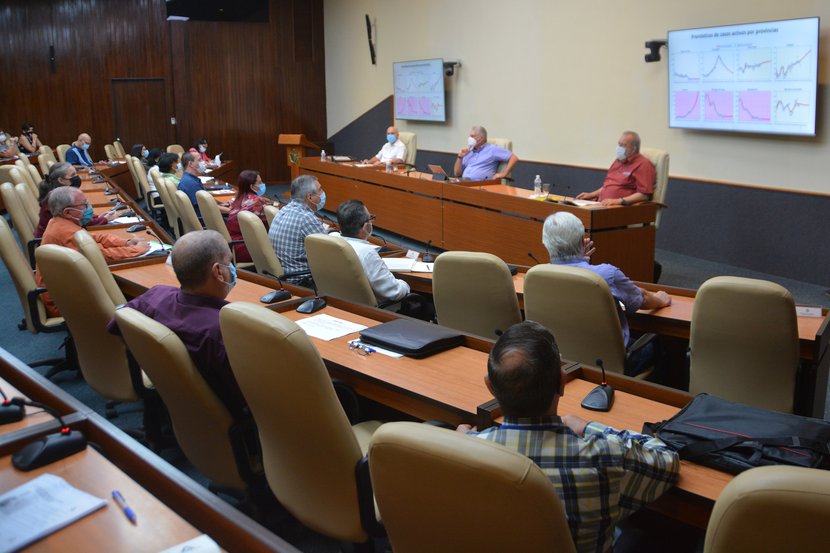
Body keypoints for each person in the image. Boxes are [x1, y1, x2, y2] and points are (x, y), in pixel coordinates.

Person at [460, 321, 680, 553]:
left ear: (490, 387)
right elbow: (667, 459)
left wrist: (463, 441)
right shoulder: (605, 456)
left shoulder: (465, 454)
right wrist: (588, 427)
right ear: (562, 383)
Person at [106, 230, 246, 421]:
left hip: (176, 399)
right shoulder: (222, 332)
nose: (231, 267)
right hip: (223, 418)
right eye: (228, 260)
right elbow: (250, 396)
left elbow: (118, 324)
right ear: (218, 271)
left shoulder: (155, 295)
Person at [542, 211, 671, 373]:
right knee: (665, 347)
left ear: (546, 244)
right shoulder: (606, 274)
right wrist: (660, 299)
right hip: (609, 362)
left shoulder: (539, 274)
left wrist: (580, 260)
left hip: (563, 358)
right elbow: (642, 300)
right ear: (583, 241)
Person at [35, 186, 149, 316]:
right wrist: (137, 250)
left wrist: (126, 242)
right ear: (67, 212)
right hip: (64, 301)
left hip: (68, 288)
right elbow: (102, 256)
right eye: (84, 205)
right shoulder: (66, 233)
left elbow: (95, 239)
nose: (89, 207)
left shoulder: (59, 222)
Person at [336, 199, 410, 304]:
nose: (371, 221)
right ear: (366, 227)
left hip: (340, 301)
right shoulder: (367, 253)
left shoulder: (333, 241)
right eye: (370, 218)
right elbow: (395, 292)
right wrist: (405, 285)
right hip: (369, 311)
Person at [268, 174, 326, 283]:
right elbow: (329, 252)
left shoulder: (284, 210)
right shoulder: (306, 218)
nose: (323, 193)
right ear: (309, 197)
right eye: (320, 190)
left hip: (285, 274)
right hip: (302, 280)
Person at [34, 162, 116, 238]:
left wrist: (97, 218)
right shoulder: (58, 198)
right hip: (54, 243)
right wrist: (104, 219)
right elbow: (76, 223)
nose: (77, 177)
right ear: (61, 180)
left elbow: (77, 218)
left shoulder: (61, 193)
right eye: (73, 175)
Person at [577, 131, 655, 206]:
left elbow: (644, 195)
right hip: (602, 204)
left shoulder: (643, 164)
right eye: (619, 144)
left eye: (623, 145)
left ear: (633, 149)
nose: (619, 148)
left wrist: (618, 201)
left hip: (620, 208)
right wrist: (590, 195)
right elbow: (608, 186)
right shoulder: (618, 161)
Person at [226, 170, 273, 263]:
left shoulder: (238, 199)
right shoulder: (257, 201)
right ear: (252, 186)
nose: (263, 184)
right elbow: (271, 222)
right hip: (247, 248)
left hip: (233, 245)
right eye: (260, 183)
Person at [453, 125, 518, 181]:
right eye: (470, 136)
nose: (470, 139)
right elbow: (457, 174)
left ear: (481, 138)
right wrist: (460, 157)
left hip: (481, 185)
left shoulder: (492, 149)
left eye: (472, 136)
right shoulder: (468, 151)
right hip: (464, 183)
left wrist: (504, 173)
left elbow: (514, 158)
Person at [177, 151, 204, 216]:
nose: (203, 162)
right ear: (191, 163)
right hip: (205, 220)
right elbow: (206, 207)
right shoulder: (190, 183)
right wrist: (230, 210)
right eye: (199, 160)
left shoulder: (189, 178)